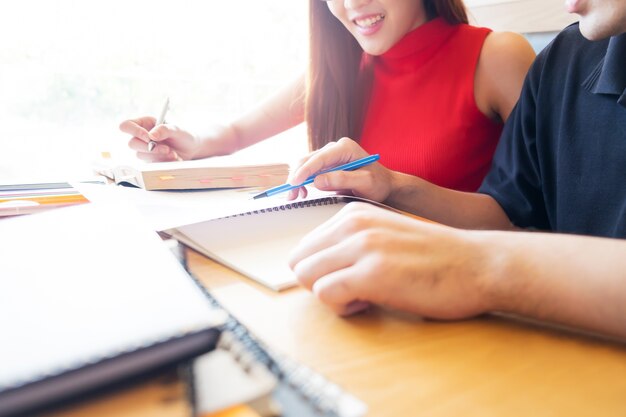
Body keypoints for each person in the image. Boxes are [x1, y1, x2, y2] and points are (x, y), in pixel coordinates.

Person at [286, 0, 626, 340]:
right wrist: (391, 186)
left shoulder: (497, 55)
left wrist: (478, 267)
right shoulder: (566, 60)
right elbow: (509, 217)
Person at [120, 0, 535, 193]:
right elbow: (230, 133)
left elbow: (548, 217)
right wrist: (186, 143)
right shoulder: (339, 70)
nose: (353, 3)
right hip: (355, 289)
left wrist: (393, 185)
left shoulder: (496, 57)